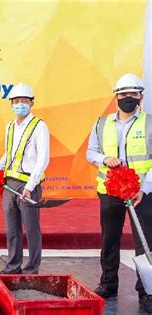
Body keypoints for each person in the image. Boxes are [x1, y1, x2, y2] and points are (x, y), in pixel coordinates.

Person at [86, 73, 152, 312]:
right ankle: (108, 283)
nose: (128, 98)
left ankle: (146, 290)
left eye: (133, 95)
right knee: (109, 239)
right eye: (124, 94)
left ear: (140, 97)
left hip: (142, 194)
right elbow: (90, 152)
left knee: (145, 242)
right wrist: (105, 158)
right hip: (110, 191)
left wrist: (143, 189)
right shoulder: (101, 123)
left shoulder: (149, 122)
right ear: (116, 97)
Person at [0, 83, 50, 277]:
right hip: (9, 184)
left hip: (28, 185)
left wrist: (31, 186)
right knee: (12, 228)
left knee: (31, 228)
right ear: (10, 104)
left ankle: (32, 269)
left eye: (24, 101)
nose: (20, 105)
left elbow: (43, 159)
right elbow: (8, 154)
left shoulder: (39, 126)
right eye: (16, 102)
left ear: (31, 103)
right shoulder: (10, 126)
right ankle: (12, 267)